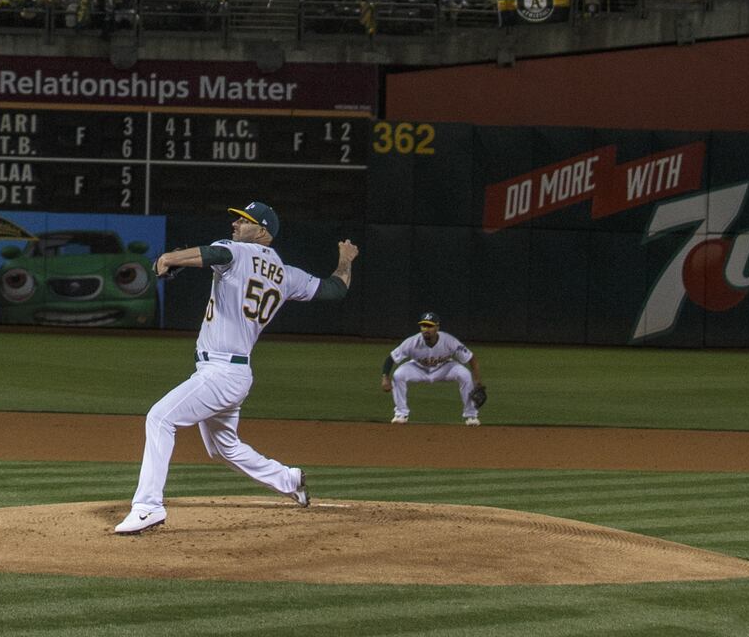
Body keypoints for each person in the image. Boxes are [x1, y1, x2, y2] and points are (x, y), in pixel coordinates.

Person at [113, 202, 358, 535]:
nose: (235, 223)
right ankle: (288, 479)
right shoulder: (287, 274)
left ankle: (147, 507)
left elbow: (216, 256)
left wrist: (168, 259)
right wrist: (345, 259)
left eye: (244, 220)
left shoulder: (238, 251)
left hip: (221, 373)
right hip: (235, 374)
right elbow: (336, 289)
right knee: (223, 447)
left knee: (160, 418)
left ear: (263, 232)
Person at [382, 311, 483, 425]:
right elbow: (391, 358)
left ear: (437, 327)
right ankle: (401, 414)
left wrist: (478, 381)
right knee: (398, 375)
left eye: (430, 326)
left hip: (444, 368)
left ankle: (471, 416)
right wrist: (385, 377)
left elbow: (471, 358)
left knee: (464, 374)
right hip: (418, 369)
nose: (426, 329)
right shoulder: (412, 342)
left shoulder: (449, 341)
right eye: (423, 325)